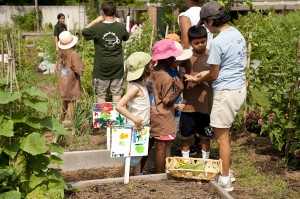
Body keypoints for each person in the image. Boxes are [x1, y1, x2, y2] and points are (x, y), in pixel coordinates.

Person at [185, 1, 247, 192]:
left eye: (204, 23)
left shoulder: (218, 42)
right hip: (238, 88)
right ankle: (226, 169)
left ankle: (225, 179)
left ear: (211, 21)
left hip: (225, 92)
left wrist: (199, 78)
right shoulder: (236, 33)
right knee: (225, 135)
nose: (204, 27)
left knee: (222, 138)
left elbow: (213, 74)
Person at [150, 39, 190, 173]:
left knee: (149, 144)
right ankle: (159, 174)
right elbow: (167, 102)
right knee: (161, 146)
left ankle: (142, 170)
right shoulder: (166, 78)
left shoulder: (152, 72)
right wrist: (180, 89)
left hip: (152, 112)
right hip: (163, 116)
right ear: (168, 59)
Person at [82, 0, 129, 103]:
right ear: (115, 11)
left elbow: (84, 32)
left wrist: (95, 21)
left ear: (102, 12)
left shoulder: (97, 28)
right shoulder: (120, 27)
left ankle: (103, 119)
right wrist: (119, 24)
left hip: (102, 67)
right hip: (117, 66)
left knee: (101, 94)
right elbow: (126, 37)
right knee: (117, 94)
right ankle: (117, 118)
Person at [179, 25, 213, 160]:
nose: (200, 45)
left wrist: (200, 79)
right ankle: (185, 159)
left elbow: (215, 75)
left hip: (205, 104)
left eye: (203, 41)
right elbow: (179, 76)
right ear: (190, 43)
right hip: (188, 104)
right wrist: (182, 74)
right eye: (196, 43)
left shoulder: (212, 55)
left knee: (205, 135)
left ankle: (205, 161)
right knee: (186, 135)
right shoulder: (185, 57)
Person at [116, 52, 152, 176]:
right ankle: (124, 178)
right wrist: (135, 119)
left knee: (138, 155)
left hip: (141, 126)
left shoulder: (141, 85)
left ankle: (137, 178)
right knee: (130, 156)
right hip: (134, 126)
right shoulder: (135, 88)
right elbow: (119, 106)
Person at [56, 31, 84, 125]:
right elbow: (79, 69)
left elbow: (57, 69)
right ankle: (69, 122)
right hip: (71, 83)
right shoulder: (73, 55)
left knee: (64, 101)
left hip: (62, 82)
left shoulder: (60, 55)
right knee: (71, 102)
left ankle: (60, 121)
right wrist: (82, 70)